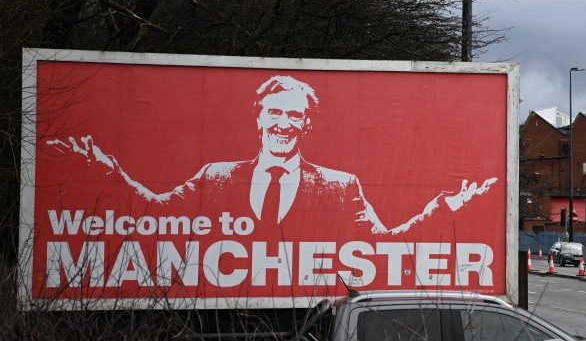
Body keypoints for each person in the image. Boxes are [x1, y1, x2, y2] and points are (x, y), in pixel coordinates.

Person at [48, 75, 495, 236]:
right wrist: (107, 174)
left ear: (306, 125)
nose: (283, 124)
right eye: (275, 113)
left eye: (294, 116)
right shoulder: (216, 178)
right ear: (258, 119)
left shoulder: (341, 187)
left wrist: (445, 208)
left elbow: (384, 246)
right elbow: (153, 217)